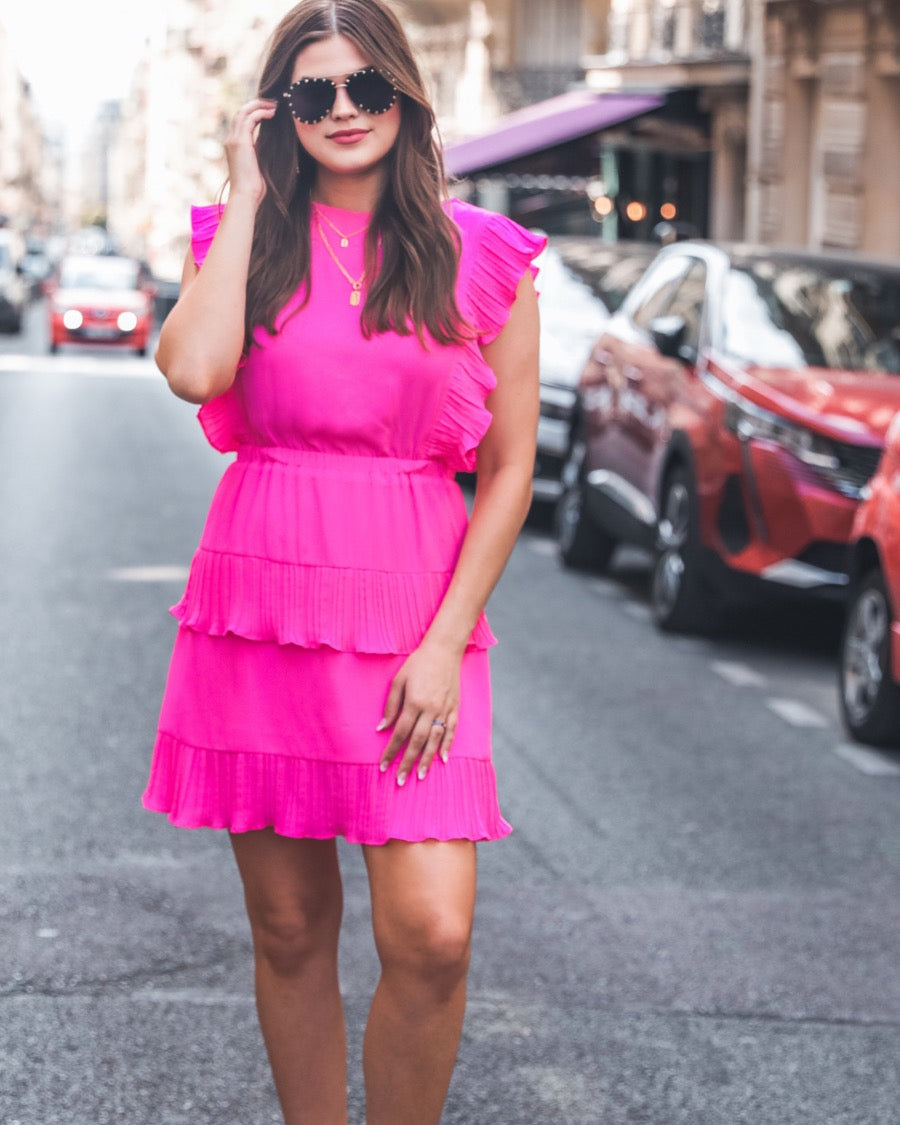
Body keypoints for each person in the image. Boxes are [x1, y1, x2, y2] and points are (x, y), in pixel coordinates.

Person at [142, 1, 543, 1122]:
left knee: (433, 934)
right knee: (288, 928)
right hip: (258, 602)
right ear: (281, 111)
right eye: (314, 94)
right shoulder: (240, 235)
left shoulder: (482, 256)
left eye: (367, 87)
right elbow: (192, 369)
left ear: (406, 97)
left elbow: (510, 470)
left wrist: (447, 637)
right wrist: (249, 189)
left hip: (415, 610)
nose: (346, 111)